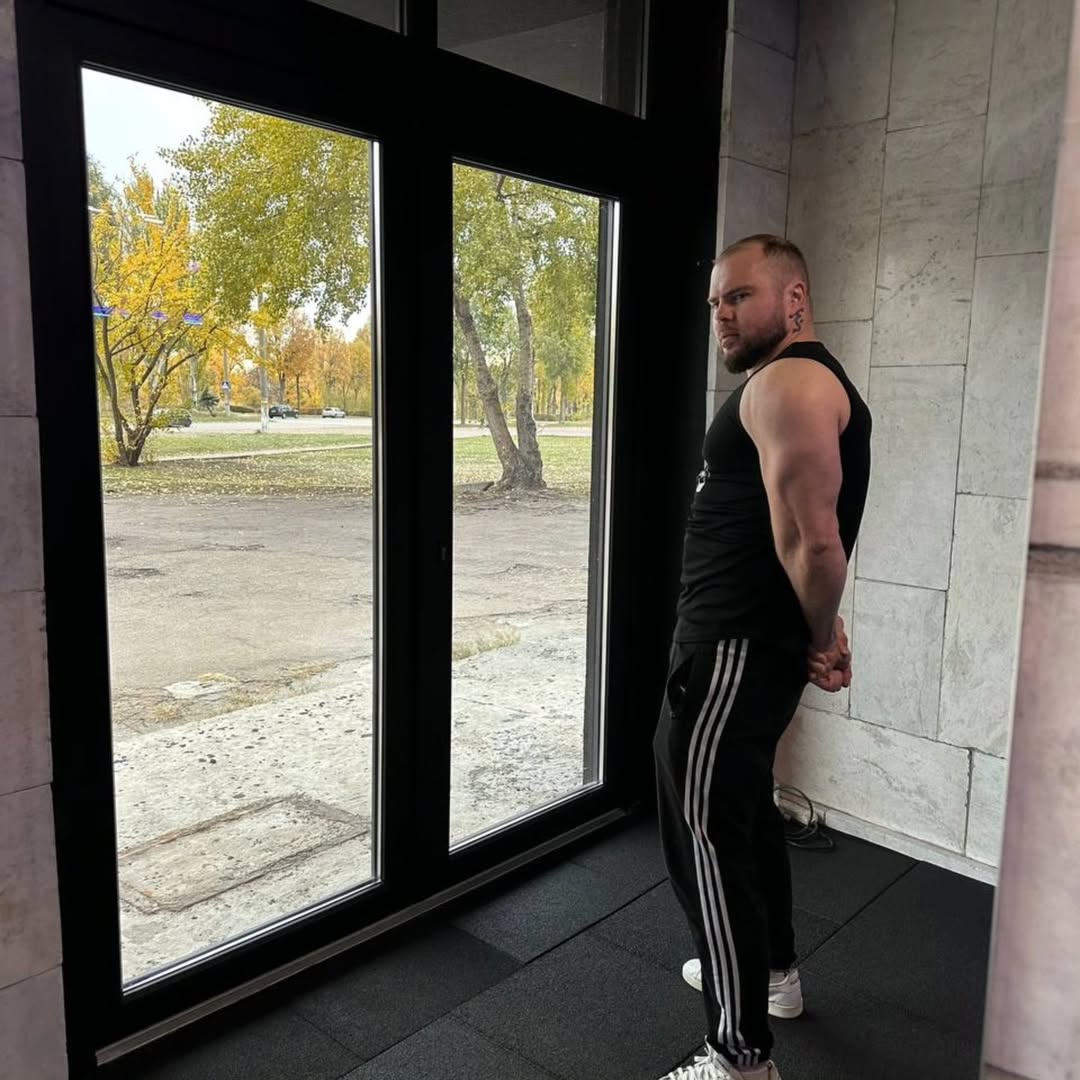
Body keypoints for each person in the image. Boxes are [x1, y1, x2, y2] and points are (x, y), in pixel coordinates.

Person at [654, 235, 872, 1080]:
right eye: (715, 301)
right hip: (744, 647)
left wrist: (821, 637)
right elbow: (806, 536)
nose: (721, 314)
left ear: (794, 301)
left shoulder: (788, 383)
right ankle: (770, 975)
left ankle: (739, 1056)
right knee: (742, 815)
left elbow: (814, 543)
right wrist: (820, 629)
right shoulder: (794, 383)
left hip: (731, 652)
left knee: (706, 837)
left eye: (739, 296)